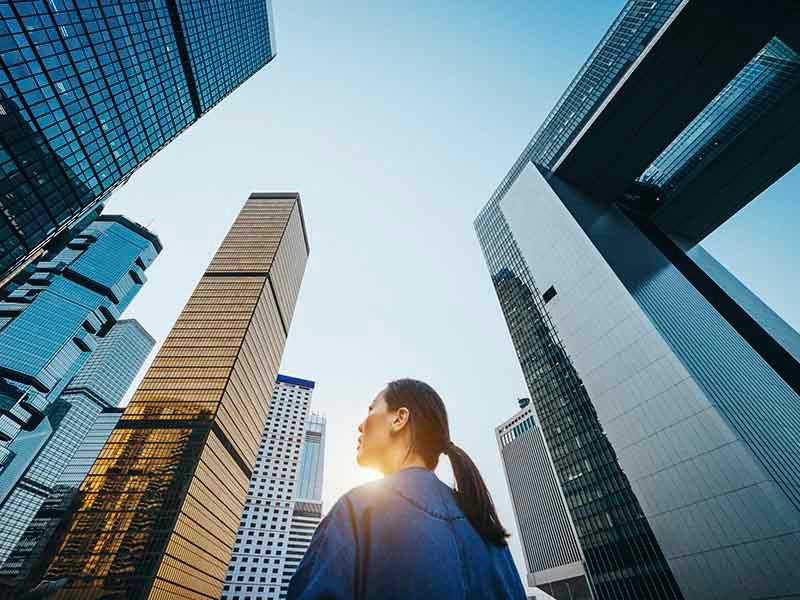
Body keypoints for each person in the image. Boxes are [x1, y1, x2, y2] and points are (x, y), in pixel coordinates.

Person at [287, 378, 527, 599]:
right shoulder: (488, 532)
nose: (361, 425)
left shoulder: (357, 512)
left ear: (399, 418)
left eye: (371, 409)